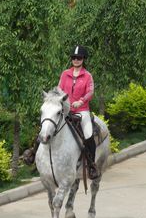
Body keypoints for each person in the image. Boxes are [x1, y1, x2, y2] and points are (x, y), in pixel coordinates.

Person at [24, 45, 98, 179]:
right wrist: (56, 99)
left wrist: (81, 101)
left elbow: (90, 92)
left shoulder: (87, 76)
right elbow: (59, 89)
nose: (76, 60)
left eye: (79, 58)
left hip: (81, 111)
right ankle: (33, 154)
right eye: (74, 58)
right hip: (65, 109)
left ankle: (92, 165)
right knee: (47, 125)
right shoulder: (65, 74)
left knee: (88, 135)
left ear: (83, 59)